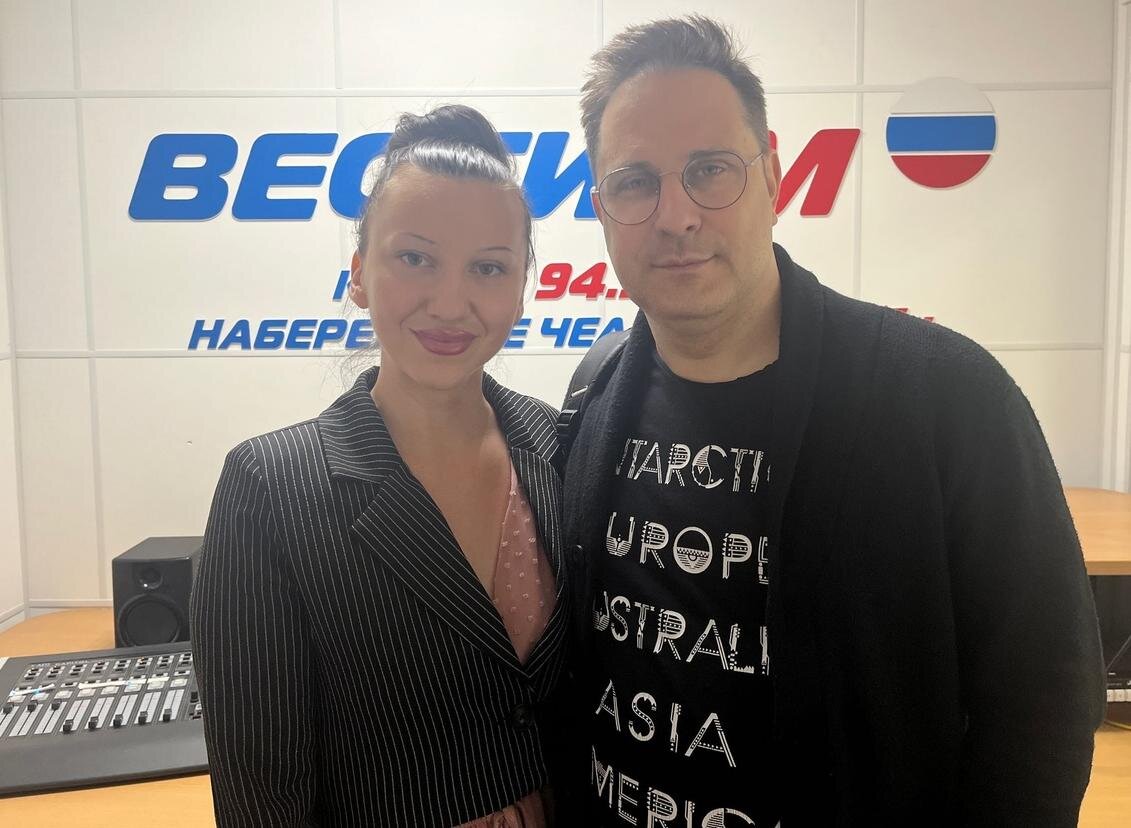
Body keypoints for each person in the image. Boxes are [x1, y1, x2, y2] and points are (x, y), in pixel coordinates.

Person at [559, 15, 1105, 827]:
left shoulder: (946, 397)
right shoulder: (595, 392)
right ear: (603, 207)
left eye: (709, 170)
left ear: (774, 177)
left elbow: (1045, 700)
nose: (675, 215)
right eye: (635, 181)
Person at [189, 104, 572, 827]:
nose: (450, 302)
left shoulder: (560, 447)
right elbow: (261, 794)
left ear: (522, 287)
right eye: (416, 258)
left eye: (488, 267)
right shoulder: (271, 487)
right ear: (360, 275)